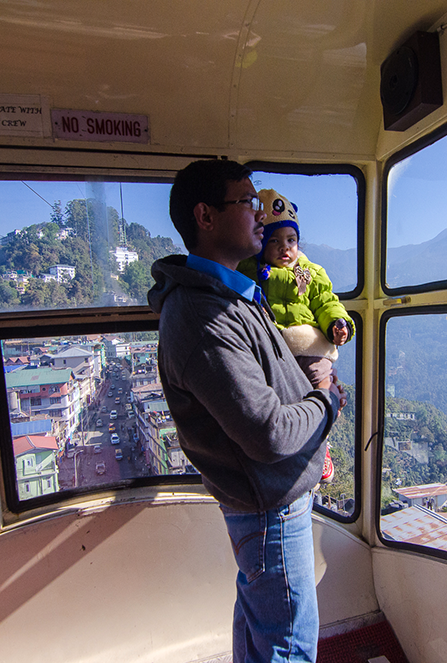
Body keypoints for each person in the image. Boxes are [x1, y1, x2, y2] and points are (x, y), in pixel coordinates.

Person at [148, 159, 346, 663]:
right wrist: (327, 402)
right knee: (288, 647)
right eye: (247, 202)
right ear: (206, 216)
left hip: (267, 501)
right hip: (271, 509)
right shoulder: (202, 316)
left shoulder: (232, 293)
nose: (261, 214)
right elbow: (268, 434)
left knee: (261, 632)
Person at [237, 188, 354, 482]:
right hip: (276, 349)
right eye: (273, 241)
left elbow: (327, 302)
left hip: (312, 346)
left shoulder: (311, 272)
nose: (284, 248)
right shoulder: (251, 270)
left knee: (324, 389)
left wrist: (338, 324)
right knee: (283, 403)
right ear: (261, 244)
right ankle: (295, 451)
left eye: (290, 240)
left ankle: (321, 445)